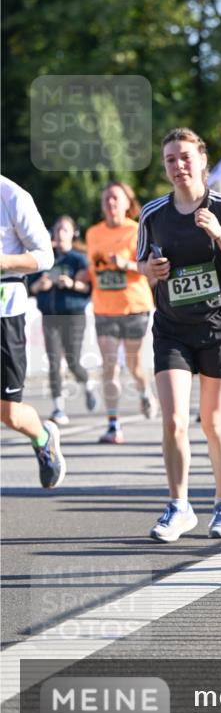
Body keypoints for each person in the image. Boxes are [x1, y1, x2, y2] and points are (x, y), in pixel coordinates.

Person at [137, 127, 221, 542]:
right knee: (172, 420)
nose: (178, 166)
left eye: (185, 157)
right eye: (170, 159)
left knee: (212, 420)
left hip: (216, 324)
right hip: (172, 326)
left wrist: (218, 234)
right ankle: (179, 505)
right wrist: (148, 271)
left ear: (202, 161)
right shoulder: (153, 213)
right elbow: (141, 263)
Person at [0, 175, 65, 488]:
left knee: (9, 414)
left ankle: (42, 436)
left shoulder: (12, 195)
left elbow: (44, 256)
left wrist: (5, 261)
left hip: (5, 313)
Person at [83, 182, 156, 444]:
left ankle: (145, 390)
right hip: (104, 308)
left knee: (135, 366)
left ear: (127, 203)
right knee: (109, 367)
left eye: (115, 199)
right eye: (106, 200)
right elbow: (93, 269)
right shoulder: (92, 233)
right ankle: (113, 424)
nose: (111, 204)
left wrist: (126, 264)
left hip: (135, 306)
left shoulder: (138, 230)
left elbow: (150, 267)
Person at [28, 215, 96, 425]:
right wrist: (42, 285)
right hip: (50, 316)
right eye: (57, 230)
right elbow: (31, 287)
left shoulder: (78, 259)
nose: (60, 234)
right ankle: (58, 408)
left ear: (73, 234)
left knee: (73, 362)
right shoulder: (44, 258)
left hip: (73, 315)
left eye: (65, 230)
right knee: (54, 363)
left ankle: (88, 384)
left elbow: (88, 288)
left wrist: (71, 283)